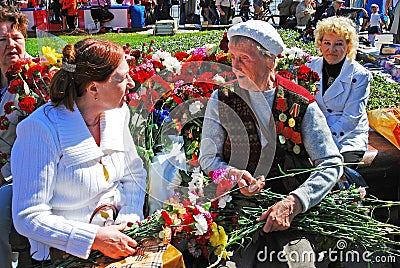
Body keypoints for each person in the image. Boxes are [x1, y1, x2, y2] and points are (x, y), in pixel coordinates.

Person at [199, 19, 343, 267]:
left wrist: (295, 203)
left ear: (269, 60)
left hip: (291, 207)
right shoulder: (222, 99)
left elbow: (330, 162)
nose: (234, 66)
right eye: (232, 57)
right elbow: (208, 158)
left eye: (244, 58)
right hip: (237, 206)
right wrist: (231, 176)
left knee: (298, 262)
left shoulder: (299, 102)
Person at [11, 38, 147, 264]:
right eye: (122, 78)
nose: (131, 83)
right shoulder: (41, 129)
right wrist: (95, 239)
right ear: (93, 88)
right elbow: (29, 217)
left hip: (117, 244)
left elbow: (134, 173)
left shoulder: (117, 114)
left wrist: (129, 219)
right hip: (64, 258)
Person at [307, 16, 371, 168]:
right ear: (320, 44)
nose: (331, 49)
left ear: (348, 46)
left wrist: (323, 140)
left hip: (347, 137)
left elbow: (351, 119)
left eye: (339, 44)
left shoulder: (360, 75)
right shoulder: (309, 66)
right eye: (327, 43)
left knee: (334, 171)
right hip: (316, 130)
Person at [0, 7, 30, 268]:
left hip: (20, 177)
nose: (10, 44)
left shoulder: (39, 80)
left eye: (16, 37)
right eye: (1, 40)